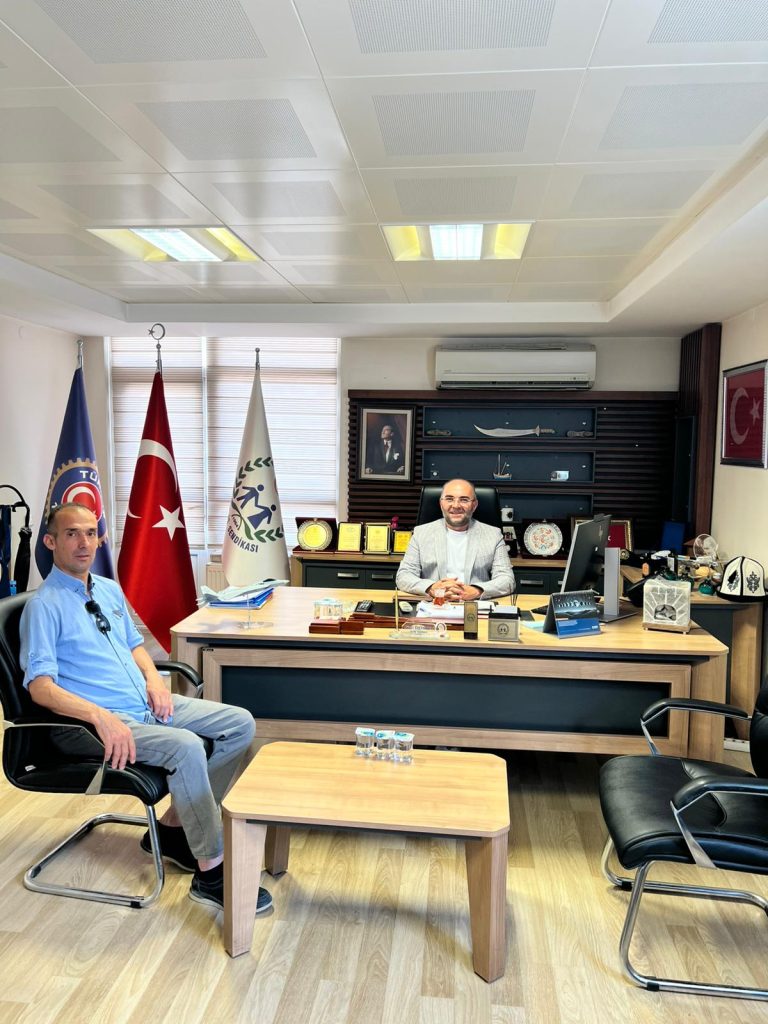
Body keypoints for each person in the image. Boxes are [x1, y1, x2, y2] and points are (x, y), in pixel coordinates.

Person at [19, 502, 271, 915]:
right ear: (50, 542)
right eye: (71, 534)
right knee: (186, 746)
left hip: (141, 704)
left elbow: (134, 645)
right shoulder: (43, 607)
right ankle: (211, 875)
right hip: (93, 725)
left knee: (238, 723)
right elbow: (40, 688)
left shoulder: (107, 588)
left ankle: (174, 828)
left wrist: (155, 680)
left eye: (90, 533)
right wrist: (101, 717)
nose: (84, 543)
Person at [395, 479, 514, 601]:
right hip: (434, 606)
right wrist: (431, 588)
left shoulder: (493, 535)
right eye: (449, 499)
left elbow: (507, 579)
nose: (456, 505)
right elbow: (403, 576)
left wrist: (476, 590)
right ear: (441, 503)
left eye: (464, 500)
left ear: (474, 505)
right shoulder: (421, 533)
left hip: (474, 606)